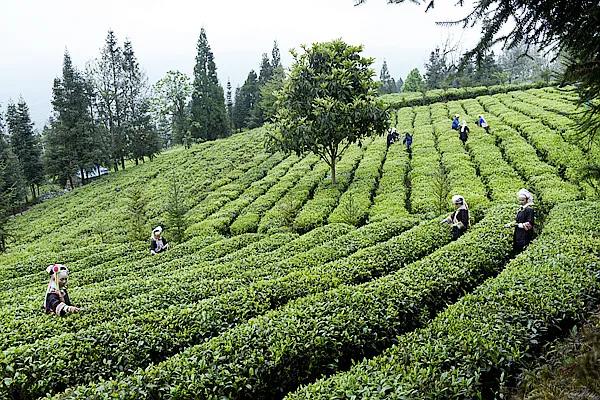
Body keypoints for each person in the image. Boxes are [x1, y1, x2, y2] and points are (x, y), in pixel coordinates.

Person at [504, 188, 535, 253]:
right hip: (518, 232)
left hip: (525, 233)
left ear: (527, 200)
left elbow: (530, 223)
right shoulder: (520, 209)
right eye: (520, 200)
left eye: (523, 200)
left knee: (523, 247)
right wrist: (510, 224)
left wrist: (522, 225)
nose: (521, 202)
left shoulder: (529, 210)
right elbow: (517, 220)